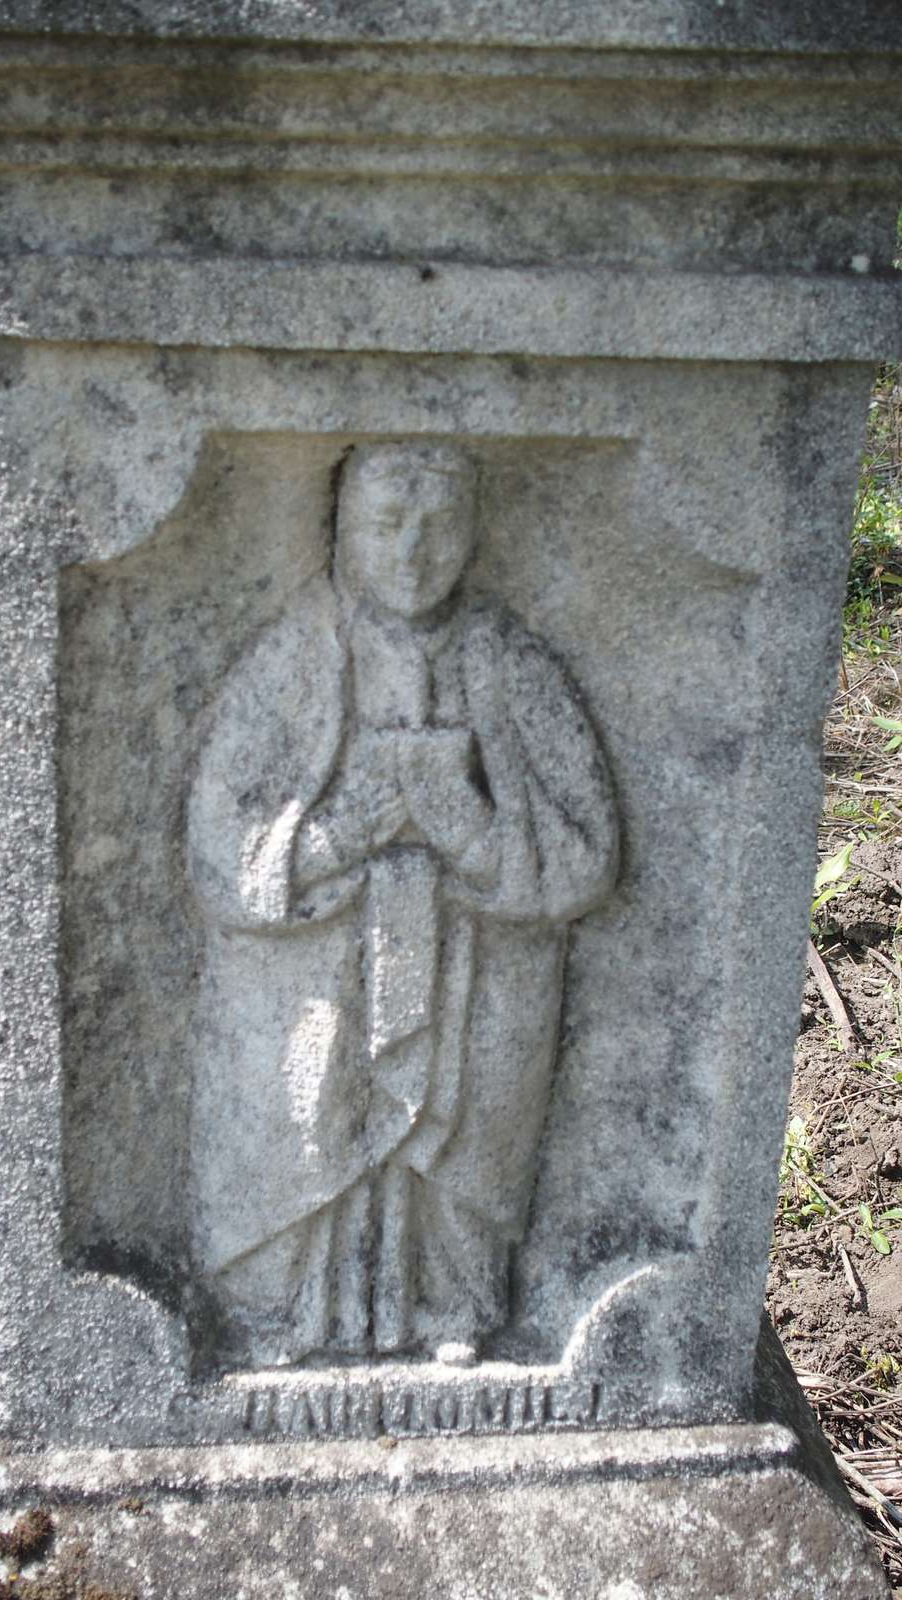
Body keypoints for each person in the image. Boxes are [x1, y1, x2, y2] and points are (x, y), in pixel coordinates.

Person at [188, 440, 619, 1367]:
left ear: (474, 532)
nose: (413, 552)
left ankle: (450, 1307)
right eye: (386, 525)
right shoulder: (294, 657)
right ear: (342, 527)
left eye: (439, 526)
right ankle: (287, 1313)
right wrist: (343, 831)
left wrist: (467, 827)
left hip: (476, 975)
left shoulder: (510, 662)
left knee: (460, 1143)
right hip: (320, 979)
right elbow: (219, 847)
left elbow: (589, 854)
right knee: (307, 1122)